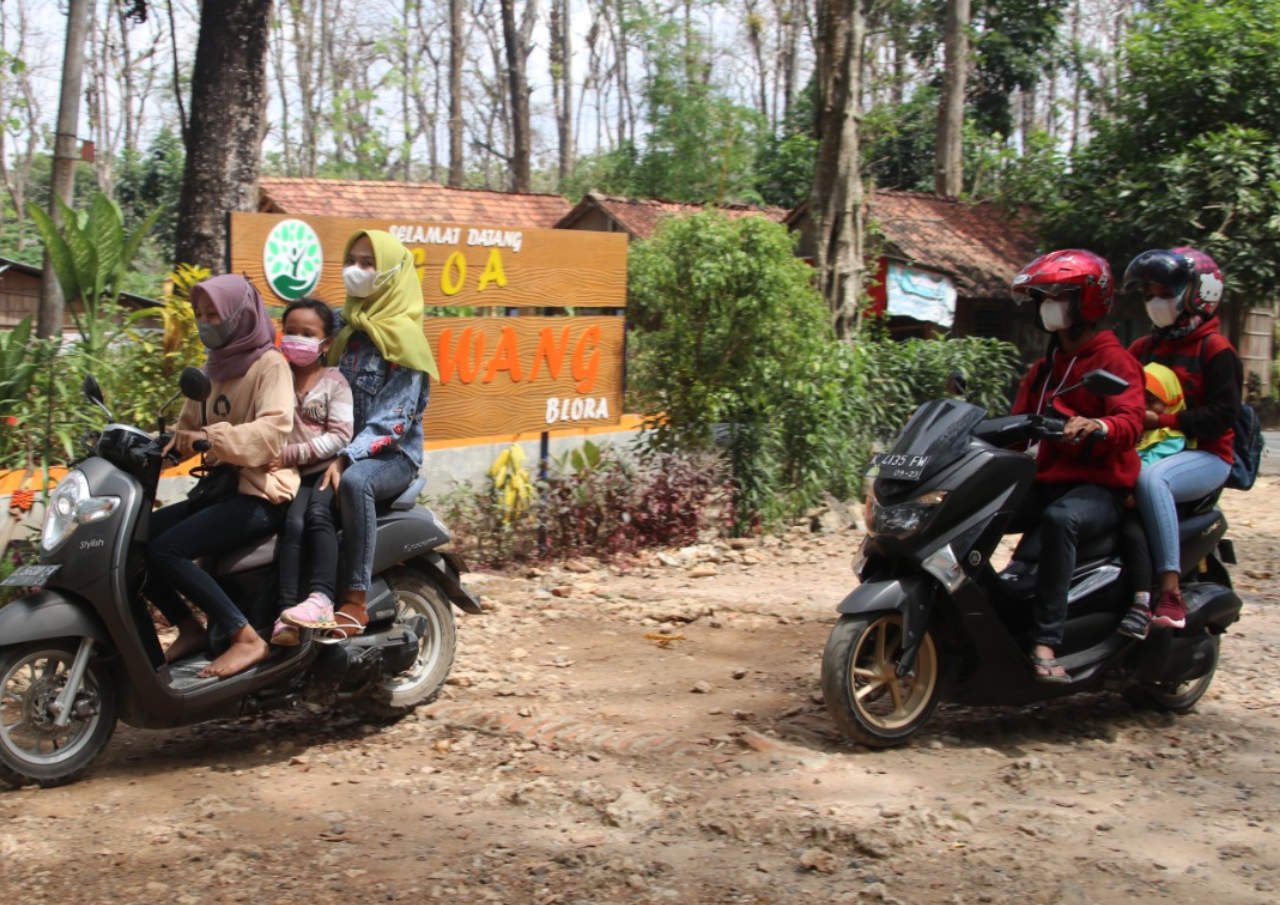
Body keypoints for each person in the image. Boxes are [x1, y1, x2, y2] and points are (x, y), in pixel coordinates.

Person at [280, 229, 438, 640]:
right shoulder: (345, 328)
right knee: (294, 510)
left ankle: (355, 600)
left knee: (353, 484)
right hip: (332, 448)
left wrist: (348, 456)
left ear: (390, 274)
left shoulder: (403, 340)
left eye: (368, 263)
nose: (357, 270)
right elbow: (301, 331)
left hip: (389, 457)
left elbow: (395, 420)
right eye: (352, 260)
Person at [149, 274, 298, 678]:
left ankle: (245, 638)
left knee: (167, 549)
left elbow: (271, 432)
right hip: (219, 490)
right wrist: (144, 446)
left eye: (213, 313)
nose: (204, 322)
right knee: (136, 539)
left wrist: (209, 439)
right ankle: (188, 628)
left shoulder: (271, 365)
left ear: (239, 314)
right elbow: (185, 431)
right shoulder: (210, 370)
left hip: (259, 494)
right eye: (199, 314)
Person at [1008, 249, 1146, 683]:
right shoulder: (1045, 368)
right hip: (1047, 478)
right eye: (1043, 296)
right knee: (984, 505)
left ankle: (1047, 639)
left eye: (1058, 295)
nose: (1048, 304)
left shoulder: (1114, 361)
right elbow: (1015, 423)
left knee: (1059, 519)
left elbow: (1130, 420)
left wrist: (1099, 425)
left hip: (1099, 487)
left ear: (1087, 302)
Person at [1124, 247, 1242, 630]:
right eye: (1149, 294)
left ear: (1198, 294)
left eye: (1163, 292)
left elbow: (1224, 416)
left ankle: (1170, 590)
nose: (1155, 302)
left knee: (1151, 481)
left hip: (1207, 455)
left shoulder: (1216, 350)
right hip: (1152, 447)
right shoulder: (1146, 348)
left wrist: (1164, 419)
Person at [270, 299, 353, 646]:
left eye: (308, 333)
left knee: (318, 517)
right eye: (290, 332)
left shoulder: (335, 383)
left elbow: (340, 435)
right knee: (290, 527)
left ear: (327, 342)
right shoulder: (275, 379)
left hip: (320, 471)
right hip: (284, 476)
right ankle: (285, 615)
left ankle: (322, 599)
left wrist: (290, 453)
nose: (297, 339)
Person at [1117, 362, 1186, 639]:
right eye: (1141, 399)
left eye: (1154, 402)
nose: (1146, 408)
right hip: (1117, 493)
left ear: (1170, 402)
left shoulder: (1170, 439)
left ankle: (1141, 603)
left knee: (1132, 534)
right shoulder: (1130, 427)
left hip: (1138, 502)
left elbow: (1149, 467)